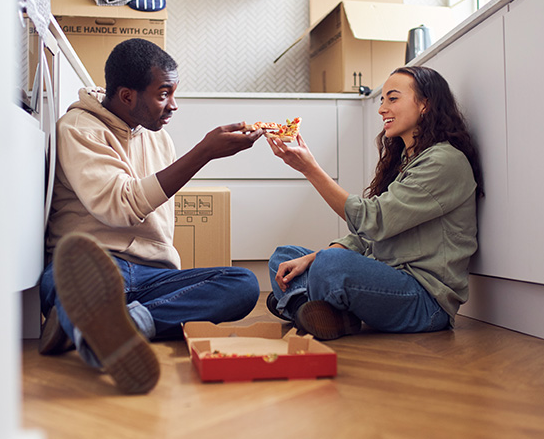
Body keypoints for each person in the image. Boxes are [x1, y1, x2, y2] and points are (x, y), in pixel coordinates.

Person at [39, 38, 264, 394]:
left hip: (153, 277)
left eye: (174, 92)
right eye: (163, 94)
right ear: (127, 96)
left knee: (243, 284)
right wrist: (203, 152)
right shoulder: (79, 128)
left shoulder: (160, 139)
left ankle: (108, 326)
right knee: (65, 281)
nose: (173, 105)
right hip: (95, 262)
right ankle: (97, 326)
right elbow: (120, 206)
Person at [265, 66, 483, 341]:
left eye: (392, 99)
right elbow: (370, 236)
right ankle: (312, 311)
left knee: (331, 264)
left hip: (424, 301)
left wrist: (311, 169)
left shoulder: (444, 162)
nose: (382, 109)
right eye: (382, 100)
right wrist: (312, 257)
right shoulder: (408, 160)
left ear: (425, 104)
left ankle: (296, 305)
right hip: (385, 276)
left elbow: (374, 222)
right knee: (284, 257)